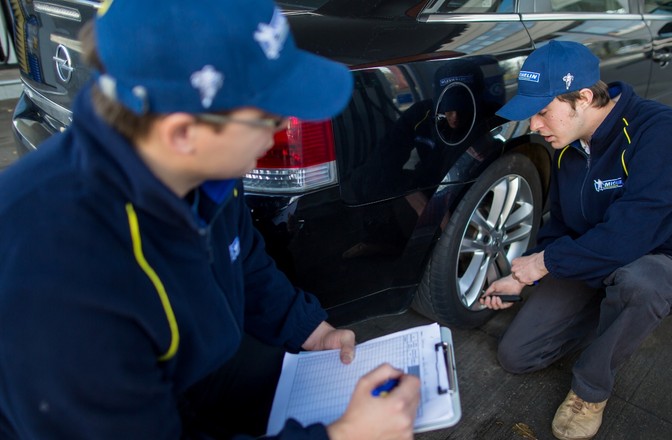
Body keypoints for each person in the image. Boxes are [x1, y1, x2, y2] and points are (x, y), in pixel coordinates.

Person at [0, 0, 420, 439]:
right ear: (183, 134)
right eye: (268, 115)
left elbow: (244, 257)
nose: (280, 126)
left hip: (198, 366)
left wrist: (307, 329)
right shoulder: (55, 279)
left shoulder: (200, 170)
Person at [480, 41, 672, 440]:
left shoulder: (662, 131)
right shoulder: (567, 148)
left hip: (656, 260)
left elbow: (631, 235)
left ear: (583, 98)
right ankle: (613, 317)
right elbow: (560, 227)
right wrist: (521, 275)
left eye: (543, 112)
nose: (535, 126)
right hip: (588, 260)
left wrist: (544, 265)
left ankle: (591, 389)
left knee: (640, 285)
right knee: (517, 355)